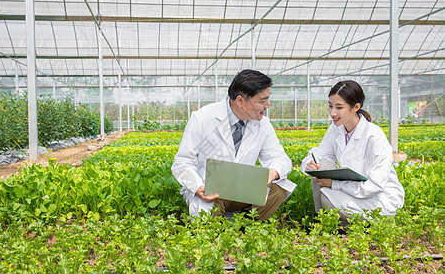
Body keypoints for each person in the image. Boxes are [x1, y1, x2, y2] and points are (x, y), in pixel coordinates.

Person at [172, 69, 296, 220]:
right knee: (207, 220)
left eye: (268, 100)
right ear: (240, 101)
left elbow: (280, 158)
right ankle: (220, 224)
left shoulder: (263, 125)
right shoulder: (202, 118)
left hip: (244, 192)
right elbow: (182, 162)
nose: (267, 105)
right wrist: (198, 186)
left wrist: (273, 171)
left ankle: (247, 225)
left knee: (279, 187)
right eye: (262, 101)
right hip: (211, 192)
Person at [301, 80, 404, 219]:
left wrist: (335, 184)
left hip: (379, 197)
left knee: (328, 200)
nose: (332, 113)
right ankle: (320, 218)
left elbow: (375, 186)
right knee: (320, 167)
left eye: (339, 107)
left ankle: (346, 224)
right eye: (330, 106)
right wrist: (310, 165)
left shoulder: (374, 135)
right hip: (352, 190)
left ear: (355, 107)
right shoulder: (335, 129)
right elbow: (318, 155)